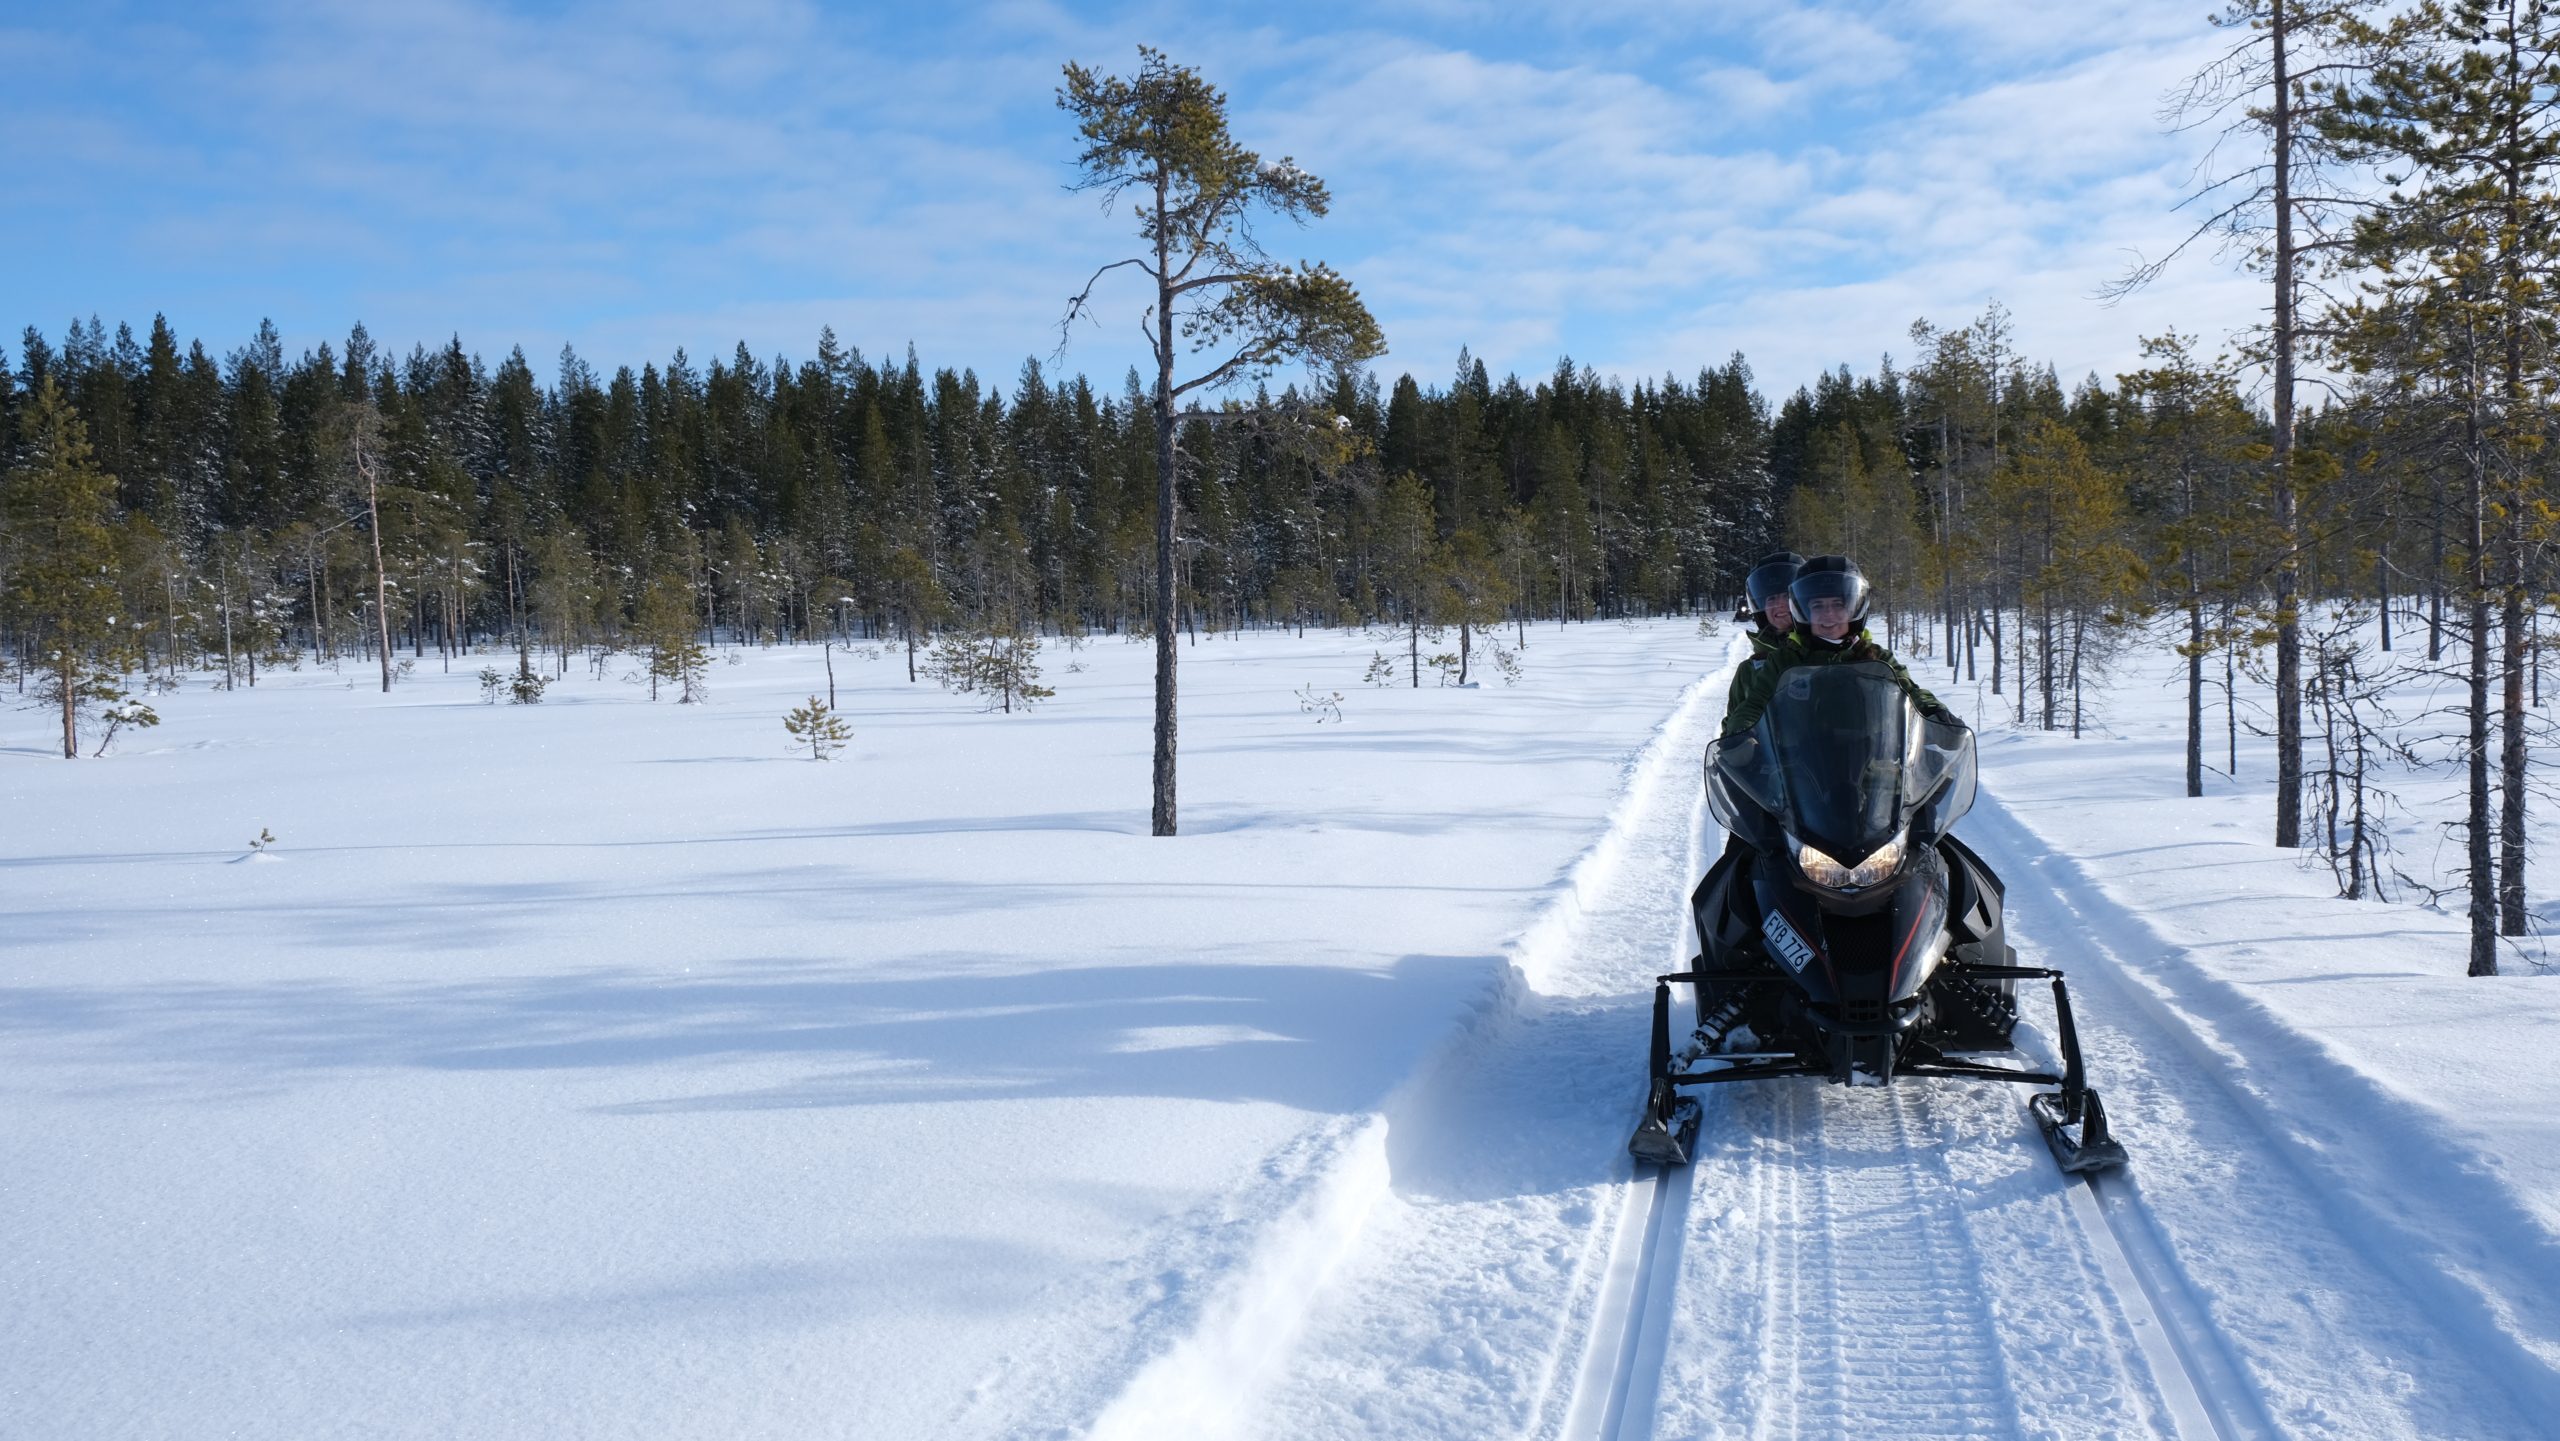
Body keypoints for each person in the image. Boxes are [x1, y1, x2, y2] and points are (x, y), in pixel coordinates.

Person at [1721, 554, 1960, 737]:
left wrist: (1934, 712)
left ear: (1854, 608)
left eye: (1838, 605)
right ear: (1803, 610)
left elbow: (1910, 691)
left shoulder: (1874, 657)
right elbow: (1752, 706)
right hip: (1797, 773)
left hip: (1874, 769)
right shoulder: (1784, 662)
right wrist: (1741, 735)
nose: (1829, 615)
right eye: (1818, 606)